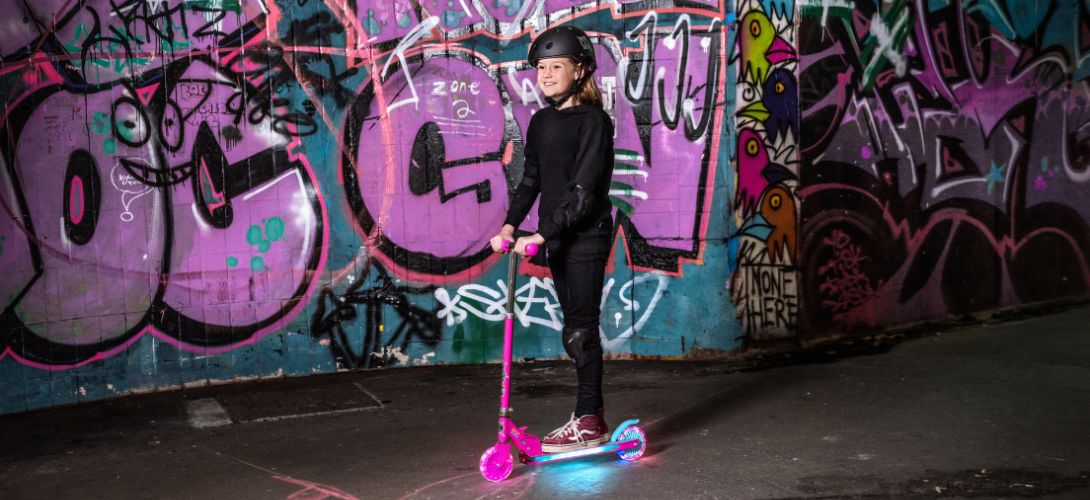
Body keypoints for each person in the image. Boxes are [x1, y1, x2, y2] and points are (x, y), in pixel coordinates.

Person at [489, 25, 615, 453]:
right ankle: (588, 415)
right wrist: (510, 225)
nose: (544, 75)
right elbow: (531, 180)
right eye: (541, 67)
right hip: (557, 237)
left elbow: (583, 194)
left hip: (585, 237)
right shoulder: (541, 121)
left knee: (582, 332)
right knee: (571, 331)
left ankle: (590, 420)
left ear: (580, 70)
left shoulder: (595, 122)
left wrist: (540, 234)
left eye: (555, 66)